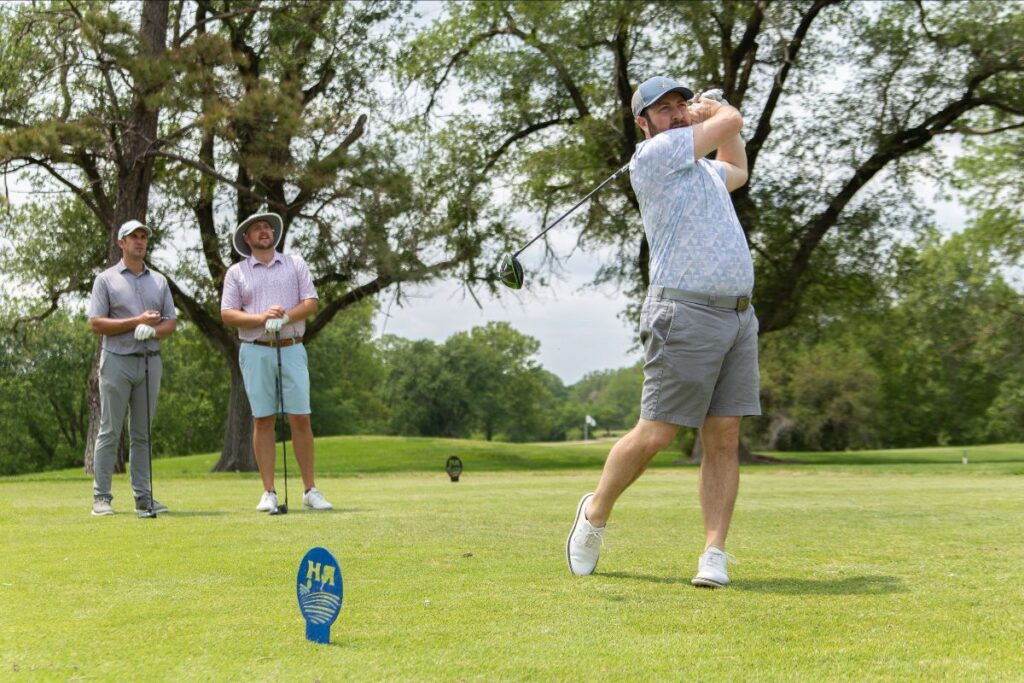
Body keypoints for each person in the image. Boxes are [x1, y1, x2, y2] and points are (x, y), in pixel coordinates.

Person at [566, 77, 759, 587]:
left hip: (739, 316)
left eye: (680, 105)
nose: (675, 114)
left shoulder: (702, 171)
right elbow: (733, 122)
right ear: (644, 123)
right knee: (658, 431)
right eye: (663, 109)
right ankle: (596, 512)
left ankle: (714, 552)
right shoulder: (652, 158)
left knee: (724, 436)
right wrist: (716, 111)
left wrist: (713, 118)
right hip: (685, 312)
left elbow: (737, 166)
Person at [220, 212, 333, 512]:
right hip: (255, 348)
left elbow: (310, 302)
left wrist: (284, 317)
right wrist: (261, 318)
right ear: (247, 238)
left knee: (300, 417)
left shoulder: (295, 263)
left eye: (267, 227)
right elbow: (228, 314)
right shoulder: (237, 272)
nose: (264, 231)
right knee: (263, 418)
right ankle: (268, 491)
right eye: (256, 228)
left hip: (292, 346)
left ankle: (310, 489)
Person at [88, 220, 177, 516]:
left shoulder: (160, 281)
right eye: (133, 237)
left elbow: (170, 322)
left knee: (142, 433)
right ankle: (102, 498)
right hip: (117, 360)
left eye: (143, 237)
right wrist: (135, 322)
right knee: (110, 430)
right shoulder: (106, 280)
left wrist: (153, 331)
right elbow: (96, 323)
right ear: (121, 243)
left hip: (150, 361)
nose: (139, 241)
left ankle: (144, 497)